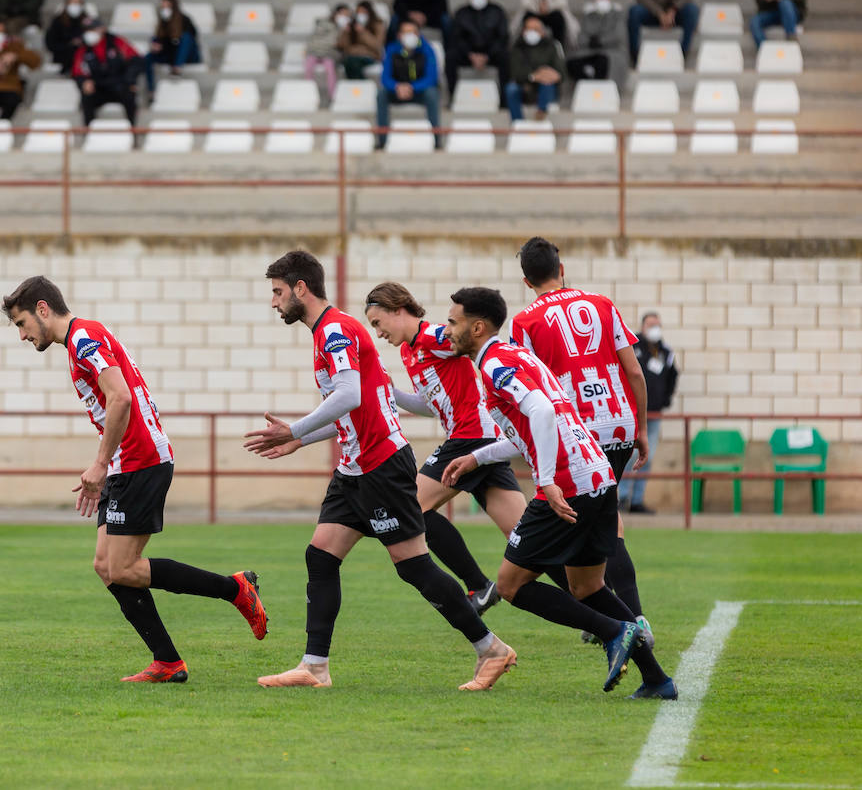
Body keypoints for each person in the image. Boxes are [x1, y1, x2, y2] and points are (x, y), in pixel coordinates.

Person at [244, 251, 516, 692]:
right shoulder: (326, 334)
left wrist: (294, 428)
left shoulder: (335, 329)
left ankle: (491, 649)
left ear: (300, 288)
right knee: (321, 554)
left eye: (277, 292)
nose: (274, 303)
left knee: (414, 568)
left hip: (382, 466)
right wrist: (301, 440)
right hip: (354, 468)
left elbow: (349, 395)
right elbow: (354, 406)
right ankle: (314, 667)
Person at [2, 276, 267, 683]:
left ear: (42, 310)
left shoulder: (83, 339)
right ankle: (167, 661)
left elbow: (121, 397)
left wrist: (99, 464)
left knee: (123, 568)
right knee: (106, 567)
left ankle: (234, 590)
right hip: (127, 463)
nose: (22, 335)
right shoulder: (79, 341)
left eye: (21, 323)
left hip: (140, 459)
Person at [440, 287, 677, 699]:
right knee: (588, 588)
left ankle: (616, 631)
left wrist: (546, 480)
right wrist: (477, 458)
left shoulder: (495, 363)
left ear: (477, 328)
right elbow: (532, 430)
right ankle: (657, 680)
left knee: (511, 585)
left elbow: (544, 413)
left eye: (453, 322)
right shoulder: (518, 356)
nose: (447, 330)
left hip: (570, 485)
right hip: (598, 477)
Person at [510, 236, 654, 645]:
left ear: (526, 281)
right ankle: (616, 616)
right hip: (619, 423)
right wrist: (640, 428)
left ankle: (625, 621)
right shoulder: (603, 304)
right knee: (603, 521)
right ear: (562, 269)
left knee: (592, 523)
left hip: (576, 433)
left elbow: (530, 386)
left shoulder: (525, 322)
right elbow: (636, 373)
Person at [363, 282, 528, 614]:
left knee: (411, 507)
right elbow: (431, 405)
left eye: (378, 322)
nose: (377, 332)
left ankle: (479, 586)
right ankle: (593, 599)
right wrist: (390, 393)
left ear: (398, 310)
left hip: (472, 436)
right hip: (483, 439)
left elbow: (474, 343)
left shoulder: (434, 338)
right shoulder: (410, 351)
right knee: (527, 536)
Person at [626, 312, 677, 513]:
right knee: (629, 456)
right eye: (651, 324)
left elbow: (673, 377)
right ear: (643, 326)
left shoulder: (665, 351)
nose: (655, 328)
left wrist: (665, 400)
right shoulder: (633, 347)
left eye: (658, 324)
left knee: (648, 455)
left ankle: (637, 500)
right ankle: (621, 497)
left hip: (654, 414)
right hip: (633, 413)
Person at [375, 20, 441, 149]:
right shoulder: (391, 50)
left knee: (432, 93)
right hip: (397, 92)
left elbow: (431, 77)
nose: (409, 35)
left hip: (420, 92)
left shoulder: (428, 50)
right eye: (406, 32)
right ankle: (382, 140)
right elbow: (385, 77)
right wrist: (397, 87)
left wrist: (412, 87)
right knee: (381, 94)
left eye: (412, 32)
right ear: (399, 35)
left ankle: (436, 139)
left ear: (418, 34)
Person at [446, 0, 509, 102]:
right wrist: (470, 54)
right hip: (467, 53)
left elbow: (502, 37)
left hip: (491, 53)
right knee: (450, 57)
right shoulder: (461, 13)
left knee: (505, 57)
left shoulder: (497, 11)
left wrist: (487, 55)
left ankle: (504, 100)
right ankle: (453, 96)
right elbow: (456, 38)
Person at [71, 20, 141, 127]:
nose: (89, 33)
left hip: (119, 85)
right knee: (86, 98)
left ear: (102, 29)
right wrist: (84, 82)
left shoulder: (117, 42)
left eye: (93, 29)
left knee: (130, 96)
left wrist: (130, 81)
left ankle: (133, 131)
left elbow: (136, 60)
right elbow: (77, 72)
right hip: (98, 88)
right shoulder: (83, 49)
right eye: (87, 30)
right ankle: (88, 132)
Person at [506, 16, 565, 121]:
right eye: (529, 29)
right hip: (525, 86)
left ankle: (541, 113)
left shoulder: (551, 46)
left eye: (536, 29)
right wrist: (533, 76)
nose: (532, 32)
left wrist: (550, 75)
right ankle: (517, 122)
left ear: (542, 31)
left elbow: (561, 72)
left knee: (547, 84)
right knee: (511, 89)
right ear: (523, 31)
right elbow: (515, 73)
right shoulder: (517, 47)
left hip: (546, 87)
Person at [565, 0, 627, 87]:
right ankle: (586, 86)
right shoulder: (588, 15)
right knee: (572, 62)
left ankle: (596, 88)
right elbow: (581, 36)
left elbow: (618, 35)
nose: (602, 0)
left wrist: (601, 41)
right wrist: (590, 41)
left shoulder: (618, 15)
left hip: (610, 52)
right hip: (588, 51)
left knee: (603, 62)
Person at [144, 0, 201, 94]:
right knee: (148, 58)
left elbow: (192, 38)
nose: (165, 9)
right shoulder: (162, 22)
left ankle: (177, 68)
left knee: (186, 37)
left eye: (168, 6)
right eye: (163, 6)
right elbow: (161, 40)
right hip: (171, 54)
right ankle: (151, 90)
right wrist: (156, 45)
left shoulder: (184, 20)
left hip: (188, 56)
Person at [304, 4, 350, 99]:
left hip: (330, 54)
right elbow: (315, 39)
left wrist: (345, 32)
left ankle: (333, 97)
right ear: (336, 13)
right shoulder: (323, 24)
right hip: (315, 52)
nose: (344, 17)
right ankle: (308, 94)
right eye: (342, 14)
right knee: (308, 69)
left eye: (346, 15)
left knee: (330, 71)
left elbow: (341, 45)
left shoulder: (347, 29)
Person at [339, 0, 385, 80]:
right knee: (350, 62)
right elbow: (344, 47)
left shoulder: (378, 25)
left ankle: (358, 87)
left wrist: (363, 32)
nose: (361, 15)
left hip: (370, 56)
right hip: (352, 56)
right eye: (358, 12)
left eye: (363, 12)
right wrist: (345, 33)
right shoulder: (352, 26)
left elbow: (377, 46)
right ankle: (358, 88)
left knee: (352, 63)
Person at [44, 0, 90, 68]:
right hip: (62, 58)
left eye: (77, 2)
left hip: (83, 59)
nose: (75, 5)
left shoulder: (87, 21)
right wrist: (69, 44)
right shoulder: (57, 21)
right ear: (66, 4)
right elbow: (51, 43)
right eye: (72, 2)